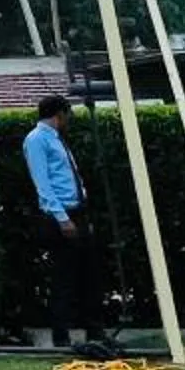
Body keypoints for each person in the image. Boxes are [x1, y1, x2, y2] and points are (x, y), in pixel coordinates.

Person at [21, 96, 115, 355]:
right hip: (60, 215)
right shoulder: (37, 140)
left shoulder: (56, 139)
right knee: (64, 276)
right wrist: (63, 219)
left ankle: (95, 330)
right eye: (67, 115)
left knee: (89, 274)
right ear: (59, 114)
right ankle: (61, 335)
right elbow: (43, 183)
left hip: (76, 211)